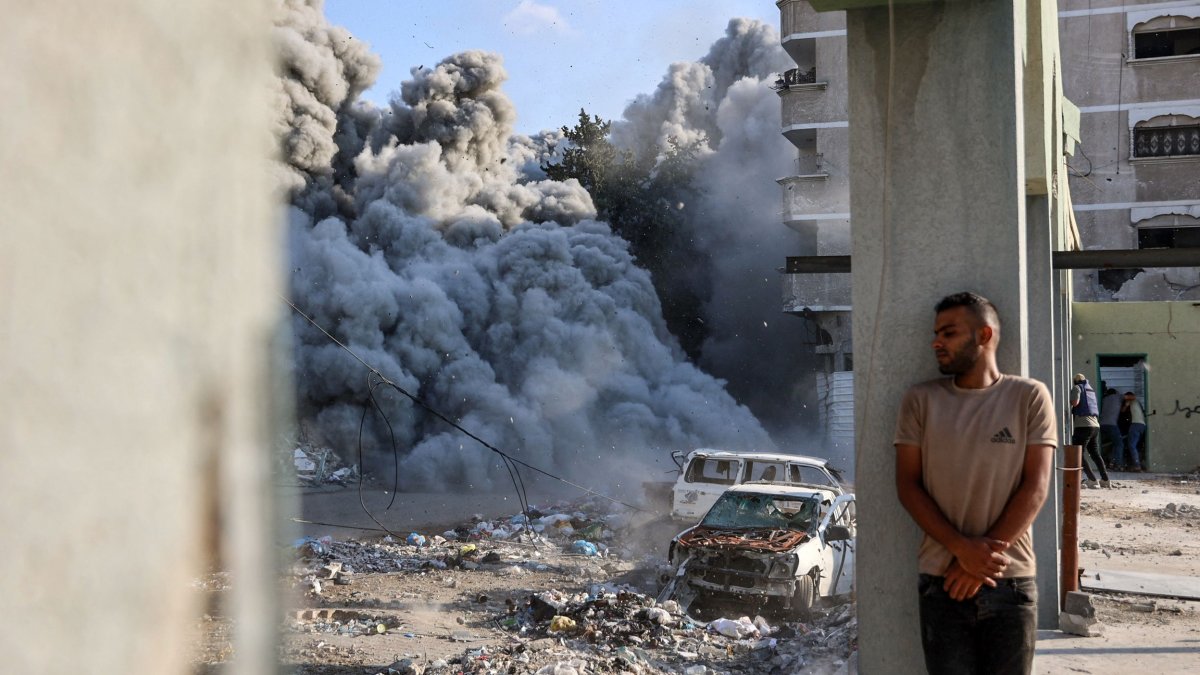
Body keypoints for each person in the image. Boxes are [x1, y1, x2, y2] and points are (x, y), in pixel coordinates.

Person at [894, 292, 1056, 675]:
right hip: (941, 583)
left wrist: (977, 562)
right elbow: (907, 485)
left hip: (1010, 581)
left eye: (948, 333)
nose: (936, 342)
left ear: (984, 335)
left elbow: (1036, 486)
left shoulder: (1030, 397)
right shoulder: (920, 401)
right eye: (936, 333)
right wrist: (960, 550)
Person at [1070, 374, 1110, 489]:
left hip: (1083, 426)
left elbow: (1075, 403)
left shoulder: (1077, 388)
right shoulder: (1090, 390)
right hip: (1095, 426)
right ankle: (1105, 480)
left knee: (1078, 454)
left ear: (1076, 381)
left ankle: (1092, 479)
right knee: (1095, 453)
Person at [1098, 388, 1124, 469]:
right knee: (1119, 444)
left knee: (1101, 444)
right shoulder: (1117, 397)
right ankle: (1118, 464)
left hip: (1101, 424)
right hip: (1111, 424)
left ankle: (1107, 463)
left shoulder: (1105, 399)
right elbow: (1131, 397)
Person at [1122, 392, 1146, 472]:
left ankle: (1137, 465)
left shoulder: (1133, 401)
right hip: (1142, 425)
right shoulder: (1138, 403)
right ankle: (1138, 463)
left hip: (1136, 424)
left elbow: (1123, 410)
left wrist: (1124, 399)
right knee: (1136, 446)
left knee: (1131, 445)